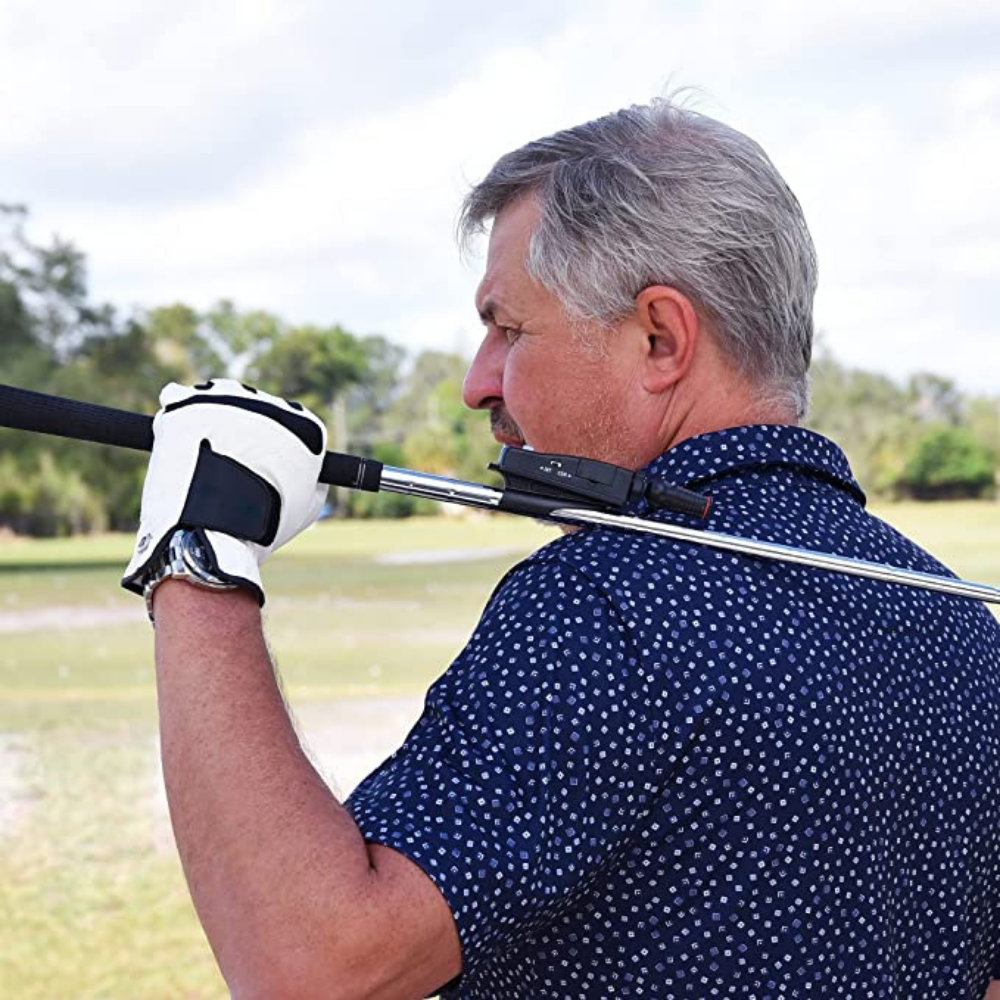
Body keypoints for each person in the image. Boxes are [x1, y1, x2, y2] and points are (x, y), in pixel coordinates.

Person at [124, 98, 1000, 999]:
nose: (478, 383)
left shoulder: (610, 604)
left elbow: (311, 965)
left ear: (660, 339)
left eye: (509, 328)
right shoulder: (961, 622)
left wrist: (202, 553)